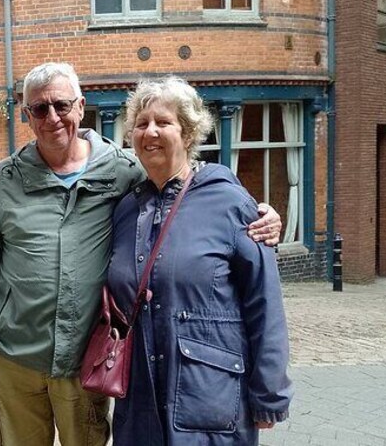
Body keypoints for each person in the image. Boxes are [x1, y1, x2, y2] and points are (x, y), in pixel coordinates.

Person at [0, 62, 282, 446]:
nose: (52, 117)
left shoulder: (125, 173)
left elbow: (192, 189)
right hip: (21, 357)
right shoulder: (11, 180)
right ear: (26, 115)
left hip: (94, 361)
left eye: (61, 105)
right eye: (40, 109)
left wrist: (264, 215)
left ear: (81, 106)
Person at [108, 76, 292, 445]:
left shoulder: (230, 203)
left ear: (189, 133)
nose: (151, 132)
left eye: (164, 122)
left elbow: (264, 302)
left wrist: (269, 394)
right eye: (141, 124)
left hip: (209, 398)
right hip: (140, 400)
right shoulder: (127, 209)